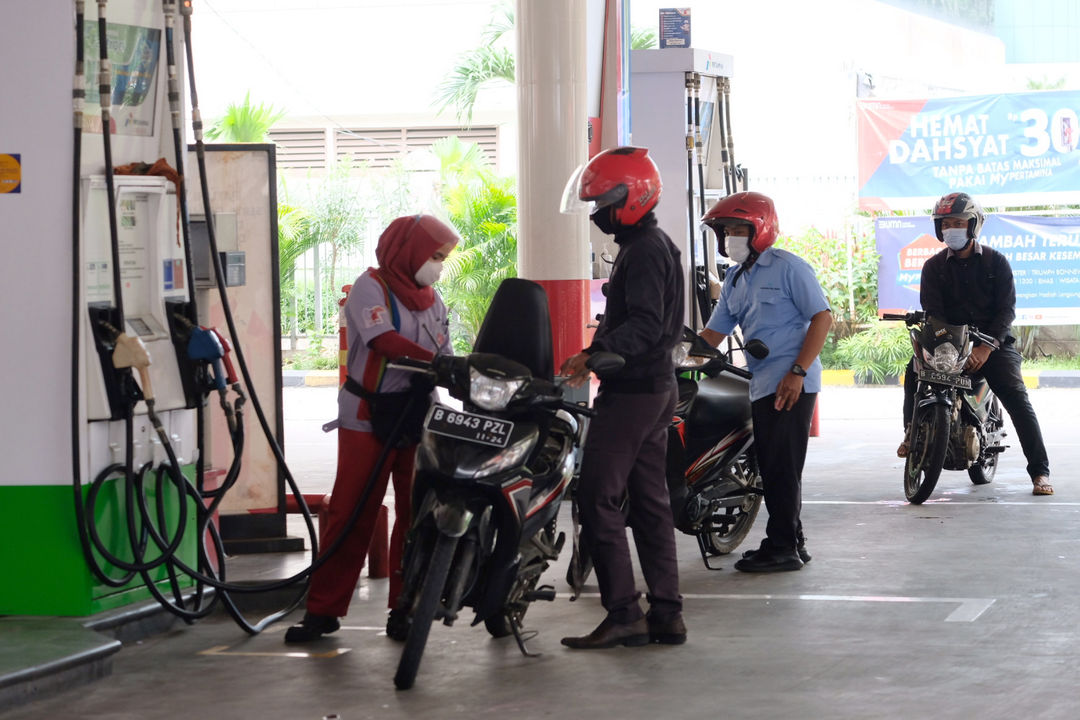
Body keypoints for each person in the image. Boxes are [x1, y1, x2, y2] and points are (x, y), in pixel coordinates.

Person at [285, 214, 458, 643]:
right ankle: (323, 611)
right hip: (368, 416)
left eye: (442, 258)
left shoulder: (433, 301)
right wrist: (437, 363)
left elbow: (445, 353)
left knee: (416, 515)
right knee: (351, 511)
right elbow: (384, 342)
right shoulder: (370, 288)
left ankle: (405, 607)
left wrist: (459, 372)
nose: (438, 265)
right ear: (410, 251)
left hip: (417, 414)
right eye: (434, 255)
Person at [558, 146, 687, 649]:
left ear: (631, 199)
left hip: (633, 393)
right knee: (650, 503)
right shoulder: (646, 246)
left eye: (604, 203)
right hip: (655, 388)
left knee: (596, 498)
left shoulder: (647, 250)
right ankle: (667, 614)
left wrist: (597, 353)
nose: (597, 214)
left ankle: (623, 612)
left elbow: (647, 324)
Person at [699, 191, 832, 573]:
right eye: (724, 232)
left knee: (781, 466)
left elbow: (822, 318)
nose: (730, 239)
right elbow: (713, 334)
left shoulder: (789, 267)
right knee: (775, 465)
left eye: (738, 229)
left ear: (760, 229)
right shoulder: (735, 279)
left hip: (791, 382)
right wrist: (677, 357)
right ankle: (794, 540)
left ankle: (782, 547)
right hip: (760, 383)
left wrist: (797, 372)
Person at [898, 192, 1052, 496]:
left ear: (973, 225)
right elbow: (934, 312)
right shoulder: (933, 267)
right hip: (949, 344)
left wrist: (986, 347)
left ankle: (1040, 471)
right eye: (945, 224)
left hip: (992, 344)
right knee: (913, 372)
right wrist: (942, 346)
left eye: (958, 222)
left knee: (1017, 398)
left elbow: (1005, 311)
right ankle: (910, 434)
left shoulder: (997, 262)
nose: (951, 229)